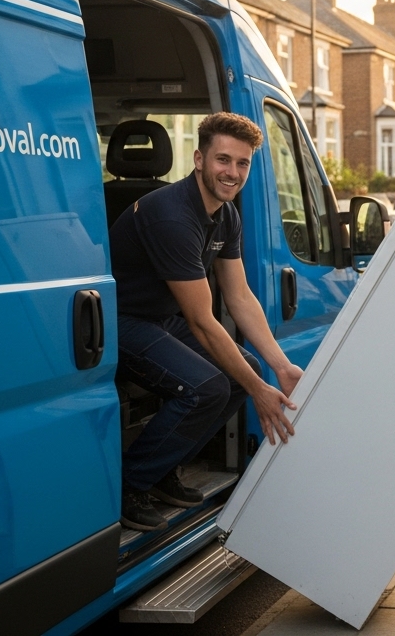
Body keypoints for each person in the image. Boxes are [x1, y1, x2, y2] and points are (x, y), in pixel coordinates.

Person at [108, 112, 303, 532]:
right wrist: (260, 393)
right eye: (223, 160)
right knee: (209, 386)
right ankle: (130, 483)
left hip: (157, 318)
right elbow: (200, 321)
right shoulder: (172, 216)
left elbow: (239, 296)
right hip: (119, 321)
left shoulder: (225, 213)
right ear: (199, 159)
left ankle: (162, 470)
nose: (232, 172)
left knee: (245, 371)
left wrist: (279, 367)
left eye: (242, 163)